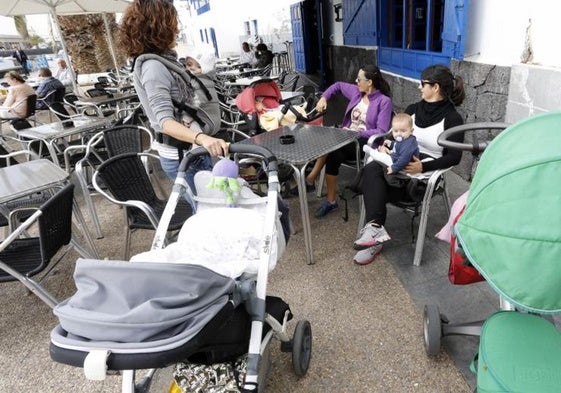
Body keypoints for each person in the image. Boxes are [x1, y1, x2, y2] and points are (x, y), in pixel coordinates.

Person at [353, 64, 465, 266]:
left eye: (423, 84)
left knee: (372, 180)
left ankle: (374, 232)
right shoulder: (413, 110)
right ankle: (375, 231)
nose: (420, 87)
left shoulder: (453, 118)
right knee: (372, 169)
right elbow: (394, 133)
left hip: (421, 180)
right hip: (397, 170)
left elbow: (455, 157)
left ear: (435, 87)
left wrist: (423, 167)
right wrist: (387, 145)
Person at [119, 0, 228, 193]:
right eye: (172, 23)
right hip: (182, 156)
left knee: (212, 207)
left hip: (190, 151)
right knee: (209, 211)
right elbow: (165, 122)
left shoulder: (163, 61)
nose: (177, 29)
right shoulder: (154, 67)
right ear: (159, 27)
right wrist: (203, 138)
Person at [309, 64, 393, 218]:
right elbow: (338, 85)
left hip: (366, 142)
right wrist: (323, 98)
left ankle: (311, 179)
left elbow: (381, 131)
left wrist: (356, 132)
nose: (356, 81)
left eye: (359, 79)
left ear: (370, 82)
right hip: (345, 138)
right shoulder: (357, 92)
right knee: (332, 151)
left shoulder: (384, 101)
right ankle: (330, 200)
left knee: (332, 145)